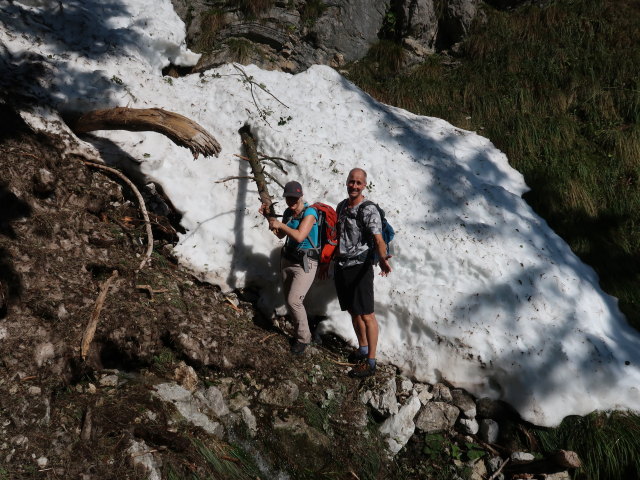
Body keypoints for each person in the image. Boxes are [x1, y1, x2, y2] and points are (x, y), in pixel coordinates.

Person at [330, 168, 392, 377]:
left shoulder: (368, 210)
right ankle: (363, 348)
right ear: (346, 182)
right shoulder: (341, 206)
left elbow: (378, 238)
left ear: (364, 185)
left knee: (367, 315)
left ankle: (371, 361)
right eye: (351, 182)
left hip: (360, 267)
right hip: (342, 265)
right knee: (353, 311)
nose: (354, 186)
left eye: (358, 183)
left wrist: (383, 258)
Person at [260, 181, 319, 355]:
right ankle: (302, 330)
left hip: (305, 264)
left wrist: (282, 225)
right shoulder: (288, 212)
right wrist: (269, 218)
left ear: (300, 196)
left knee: (294, 300)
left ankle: (303, 339)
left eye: (294, 198)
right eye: (289, 198)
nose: (291, 201)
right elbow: (280, 234)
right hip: (288, 259)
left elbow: (300, 236)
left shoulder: (310, 213)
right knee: (289, 299)